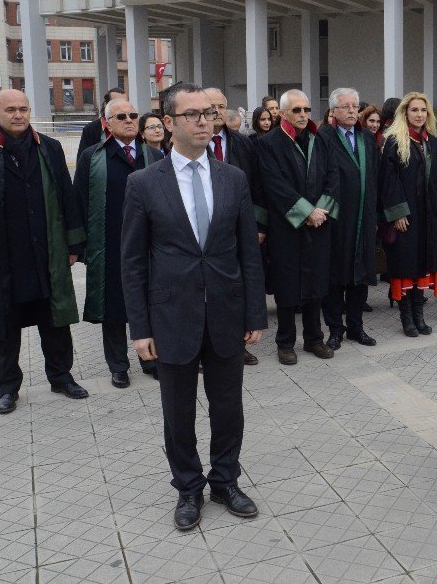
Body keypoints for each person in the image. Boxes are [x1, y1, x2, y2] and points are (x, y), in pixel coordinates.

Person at [121, 81, 267, 531]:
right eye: (192, 114)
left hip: (226, 312)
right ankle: (188, 487)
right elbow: (132, 262)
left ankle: (225, 480)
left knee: (228, 406)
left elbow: (248, 253)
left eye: (208, 113)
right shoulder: (144, 183)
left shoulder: (233, 178)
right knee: (177, 411)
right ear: (168, 123)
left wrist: (254, 314)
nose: (204, 120)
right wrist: (140, 328)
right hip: (172, 316)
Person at [0, 89, 89, 414]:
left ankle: (61, 377)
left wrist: (73, 245)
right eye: (11, 109)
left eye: (23, 109)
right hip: (5, 258)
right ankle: (6, 388)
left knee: (55, 320)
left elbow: (67, 197)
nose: (18, 115)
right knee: (3, 324)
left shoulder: (50, 148)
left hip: (47, 253)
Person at [76, 99, 165, 386]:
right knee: (113, 307)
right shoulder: (93, 157)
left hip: (149, 245)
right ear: (107, 123)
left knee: (151, 302)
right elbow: (79, 202)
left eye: (133, 115)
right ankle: (118, 365)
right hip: (110, 244)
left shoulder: (154, 156)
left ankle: (150, 360)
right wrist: (80, 247)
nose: (129, 120)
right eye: (121, 116)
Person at [259, 89, 338, 365]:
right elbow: (274, 184)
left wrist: (321, 211)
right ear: (282, 113)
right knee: (287, 286)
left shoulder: (321, 139)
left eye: (306, 110)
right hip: (287, 226)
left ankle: (314, 338)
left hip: (319, 224)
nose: (303, 115)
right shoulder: (269, 143)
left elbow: (332, 176)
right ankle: (285, 342)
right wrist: (306, 211)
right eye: (297, 110)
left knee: (317, 283)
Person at [206, 87, 268, 365]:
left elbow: (258, 187)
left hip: (238, 231)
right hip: (204, 234)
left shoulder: (243, 144)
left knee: (236, 289)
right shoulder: (190, 144)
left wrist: (259, 225)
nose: (217, 110)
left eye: (222, 105)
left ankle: (236, 345)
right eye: (212, 105)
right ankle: (202, 348)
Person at [318, 88, 379, 350]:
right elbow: (319, 177)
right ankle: (335, 329)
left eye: (355, 106)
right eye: (346, 107)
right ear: (333, 111)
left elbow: (376, 175)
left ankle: (356, 327)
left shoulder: (367, 136)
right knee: (335, 276)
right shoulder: (323, 137)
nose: (352, 111)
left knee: (361, 275)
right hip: (336, 218)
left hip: (363, 216)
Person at [379, 92, 437, 337]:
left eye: (423, 110)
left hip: (429, 216)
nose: (419, 114)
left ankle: (419, 315)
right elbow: (388, 180)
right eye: (414, 110)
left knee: (423, 266)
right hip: (406, 217)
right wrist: (397, 213)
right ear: (405, 113)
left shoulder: (433, 143)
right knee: (406, 266)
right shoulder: (395, 141)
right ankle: (406, 317)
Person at [77, 87, 125, 159]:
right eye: (117, 103)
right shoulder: (91, 130)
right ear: (106, 105)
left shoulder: (130, 126)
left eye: (125, 103)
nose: (122, 107)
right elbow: (83, 161)